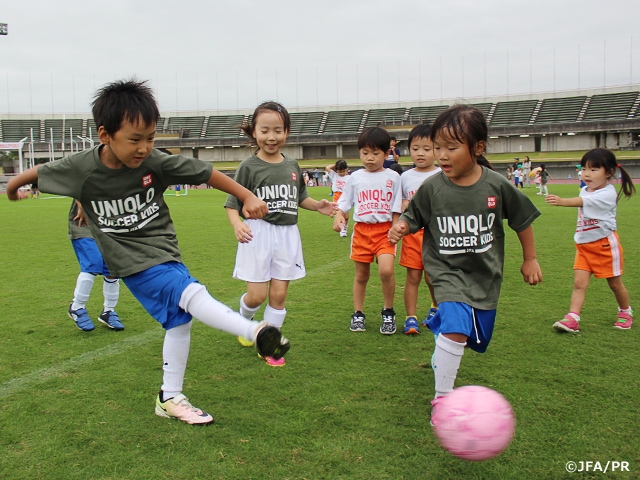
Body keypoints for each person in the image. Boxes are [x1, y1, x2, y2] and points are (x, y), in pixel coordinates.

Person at [6, 79, 290, 426]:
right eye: (135, 139)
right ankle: (254, 332)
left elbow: (208, 172)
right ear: (105, 135)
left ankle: (170, 396)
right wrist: (12, 189)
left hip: (163, 248)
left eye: (151, 137)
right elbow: (31, 175)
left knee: (178, 320)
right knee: (189, 294)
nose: (144, 147)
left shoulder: (155, 162)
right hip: (129, 259)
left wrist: (245, 196)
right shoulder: (80, 167)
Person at [388, 105, 542, 421]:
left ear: (478, 148)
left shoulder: (496, 185)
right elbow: (413, 215)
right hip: (445, 271)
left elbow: (522, 220)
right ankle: (443, 401)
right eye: (437, 147)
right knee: (457, 330)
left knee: (474, 338)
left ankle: (442, 335)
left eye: (451, 147)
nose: (441, 155)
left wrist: (530, 259)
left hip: (484, 275)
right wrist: (403, 226)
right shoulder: (432, 187)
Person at [225, 101, 335, 367]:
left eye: (278, 130)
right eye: (264, 130)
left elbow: (300, 199)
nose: (271, 137)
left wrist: (317, 207)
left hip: (287, 235)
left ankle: (269, 344)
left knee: (279, 295)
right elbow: (232, 204)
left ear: (286, 132)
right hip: (258, 234)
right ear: (254, 132)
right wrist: (237, 224)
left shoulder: (293, 165)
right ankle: (244, 320)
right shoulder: (248, 167)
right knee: (257, 296)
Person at [546, 149, 635, 332]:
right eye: (584, 168)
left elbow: (582, 202)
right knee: (579, 283)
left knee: (615, 284)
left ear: (609, 172)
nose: (586, 173)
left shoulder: (607, 194)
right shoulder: (585, 189)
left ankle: (625, 311)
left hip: (605, 246)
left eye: (594, 170)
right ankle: (573, 317)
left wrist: (562, 201)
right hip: (584, 247)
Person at [333, 127, 402, 334]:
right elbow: (344, 203)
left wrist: (395, 229)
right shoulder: (355, 178)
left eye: (375, 153)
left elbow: (397, 207)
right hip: (362, 232)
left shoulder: (393, 177)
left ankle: (388, 312)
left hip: (384, 232)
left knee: (386, 271)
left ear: (386, 153)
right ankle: (358, 313)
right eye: (365, 153)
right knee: (361, 275)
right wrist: (338, 217)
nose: (369, 158)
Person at [398, 123, 440, 335]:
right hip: (413, 235)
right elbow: (402, 203)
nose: (420, 153)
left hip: (437, 235)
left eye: (427, 148)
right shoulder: (405, 177)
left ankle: (436, 307)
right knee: (412, 277)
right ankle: (410, 317)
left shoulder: (443, 174)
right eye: (415, 149)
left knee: (432, 277)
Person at [67, 200, 124, 332]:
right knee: (93, 263)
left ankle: (108, 311)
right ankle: (77, 307)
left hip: (109, 224)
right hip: (84, 222)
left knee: (112, 269)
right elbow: (73, 182)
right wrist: (81, 206)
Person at [325, 159, 351, 237]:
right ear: (336, 170)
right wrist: (336, 164)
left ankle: (345, 227)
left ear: (347, 169)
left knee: (346, 217)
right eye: (339, 171)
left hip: (346, 196)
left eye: (343, 171)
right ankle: (342, 230)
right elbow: (327, 168)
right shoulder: (334, 175)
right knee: (340, 214)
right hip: (337, 196)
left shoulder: (349, 178)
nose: (341, 173)